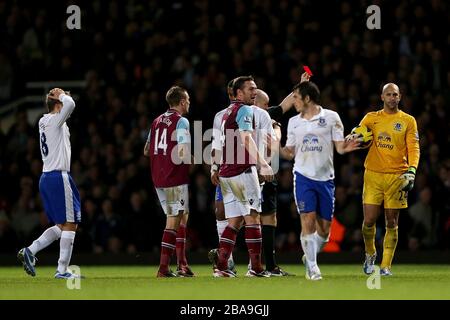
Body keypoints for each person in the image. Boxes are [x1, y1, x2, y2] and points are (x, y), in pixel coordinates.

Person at [280, 81, 359, 280]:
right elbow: (289, 153)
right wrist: (275, 146)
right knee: (307, 221)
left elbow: (340, 147)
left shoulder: (332, 117)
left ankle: (310, 256)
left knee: (324, 232)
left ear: (307, 98)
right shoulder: (293, 122)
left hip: (326, 180)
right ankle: (313, 268)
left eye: (296, 97)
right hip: (303, 177)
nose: (294, 101)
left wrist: (347, 147)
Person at [208, 75, 274, 277]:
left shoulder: (226, 112)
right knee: (253, 217)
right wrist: (263, 164)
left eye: (256, 88)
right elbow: (246, 138)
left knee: (234, 221)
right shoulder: (244, 110)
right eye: (250, 89)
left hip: (226, 174)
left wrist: (215, 167)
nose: (255, 92)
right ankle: (256, 268)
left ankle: (221, 266)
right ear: (238, 93)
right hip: (243, 171)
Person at [354, 83, 420, 276]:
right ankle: (370, 253)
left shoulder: (408, 121)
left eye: (395, 94)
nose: (392, 97)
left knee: (391, 222)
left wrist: (412, 170)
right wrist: (355, 136)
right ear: (382, 97)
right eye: (388, 94)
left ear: (400, 97)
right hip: (373, 175)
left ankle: (385, 266)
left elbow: (414, 149)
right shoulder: (371, 118)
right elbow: (359, 135)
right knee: (369, 220)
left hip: (397, 176)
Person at [17, 88, 81, 279]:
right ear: (58, 105)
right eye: (63, 99)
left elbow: (67, 106)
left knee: (62, 225)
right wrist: (60, 95)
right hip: (58, 176)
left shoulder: (43, 121)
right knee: (71, 223)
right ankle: (62, 270)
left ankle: (30, 250)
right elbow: (71, 104)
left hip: (47, 177)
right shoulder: (54, 120)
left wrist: (57, 97)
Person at [144, 86, 194, 277]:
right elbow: (181, 151)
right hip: (174, 177)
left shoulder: (156, 121)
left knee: (182, 217)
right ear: (181, 102)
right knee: (173, 221)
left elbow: (147, 150)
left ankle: (182, 264)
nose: (189, 102)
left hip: (159, 177)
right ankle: (163, 268)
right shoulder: (181, 122)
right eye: (187, 100)